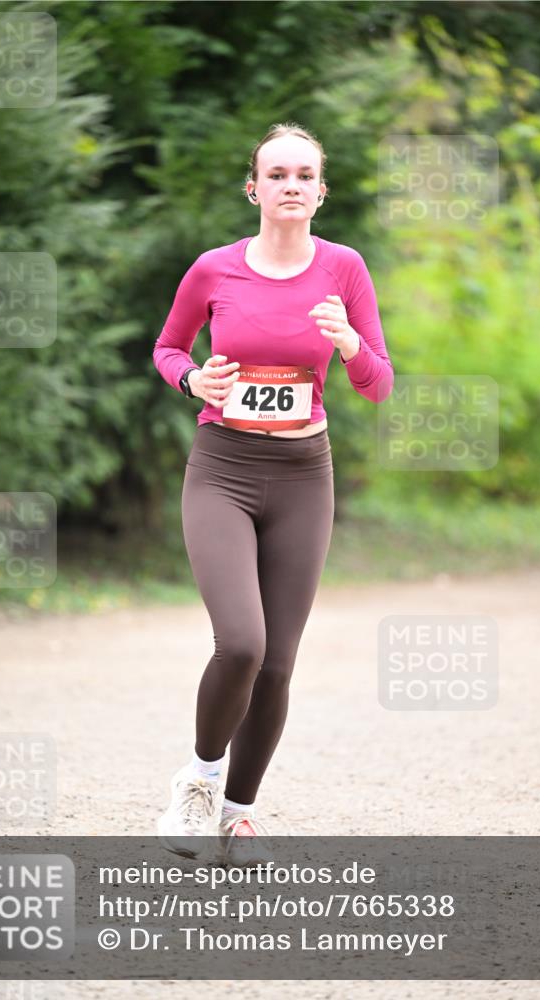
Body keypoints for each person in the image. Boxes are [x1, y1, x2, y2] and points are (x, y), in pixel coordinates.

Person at [152, 122, 393, 866]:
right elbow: (167, 347)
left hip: (302, 477)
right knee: (243, 644)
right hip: (221, 469)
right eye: (276, 173)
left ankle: (239, 812)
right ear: (253, 188)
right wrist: (192, 379)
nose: (290, 185)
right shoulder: (214, 270)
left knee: (280, 661)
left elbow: (377, 383)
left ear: (321, 191)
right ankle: (196, 781)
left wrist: (350, 343)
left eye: (304, 175)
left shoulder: (344, 269)